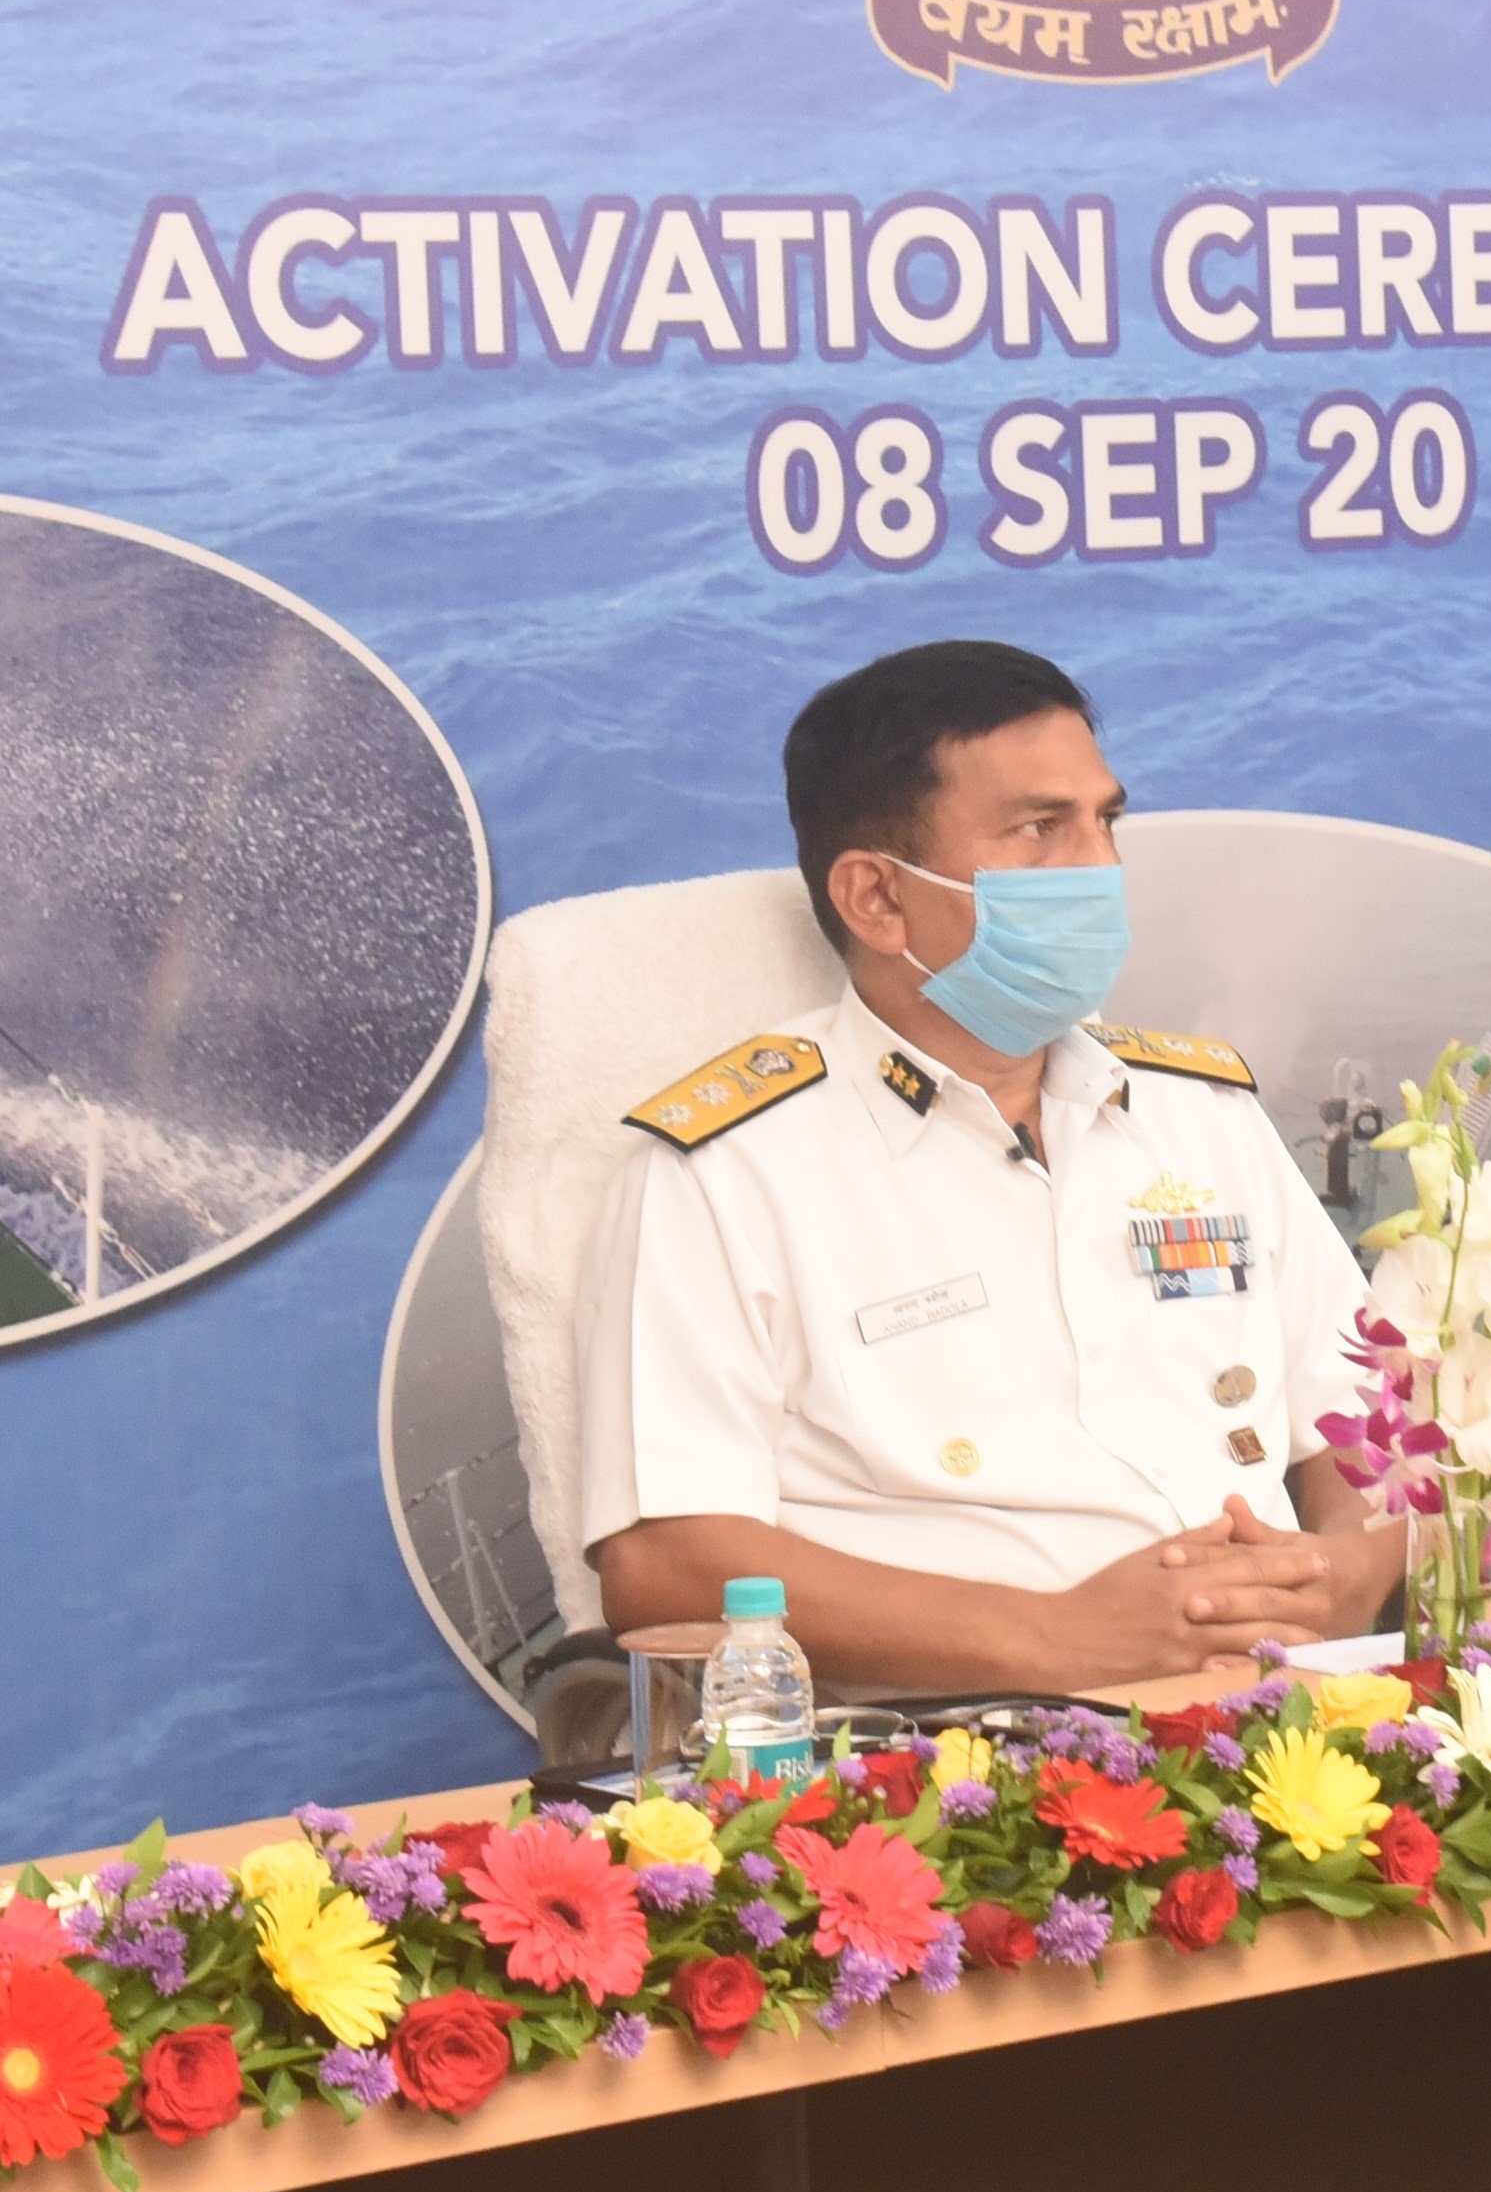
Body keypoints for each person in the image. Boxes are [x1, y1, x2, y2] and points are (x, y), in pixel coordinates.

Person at [573, 642, 1396, 1697]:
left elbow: (1378, 1433)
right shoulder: (723, 1175)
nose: (1098, 867)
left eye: (1105, 820)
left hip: (1292, 1711)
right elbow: (663, 1563)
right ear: (877, 898)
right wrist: (1052, 1638)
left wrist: (1346, 1573)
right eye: (1040, 829)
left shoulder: (1203, 1115)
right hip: (961, 1746)